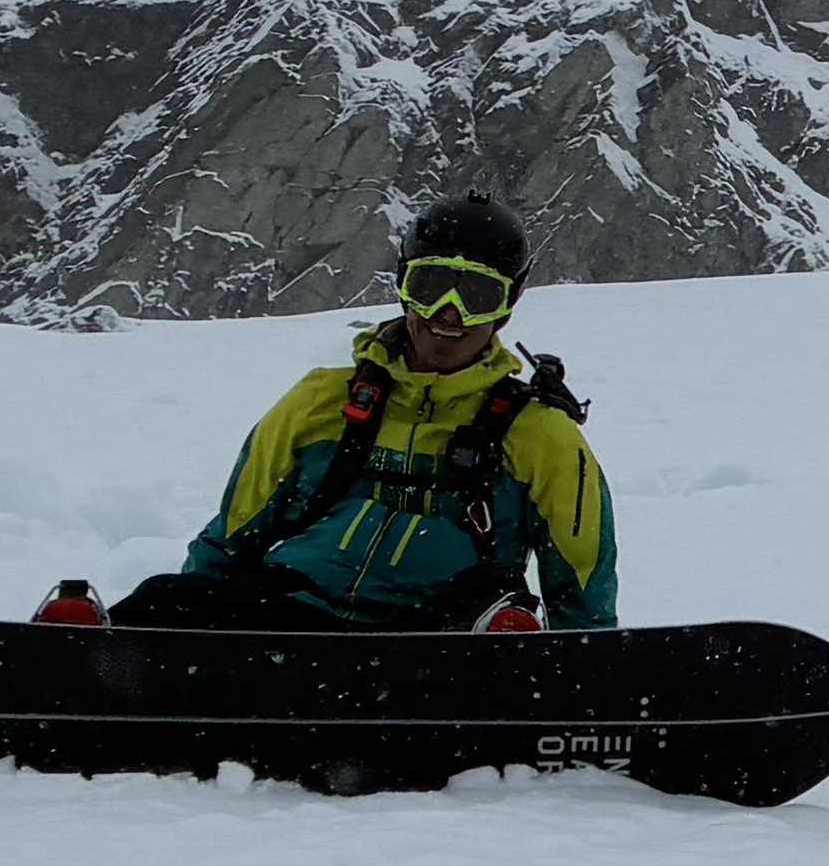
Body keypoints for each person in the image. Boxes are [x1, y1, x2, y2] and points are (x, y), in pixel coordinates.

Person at [84, 196, 623, 634]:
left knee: (493, 611)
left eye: (478, 293)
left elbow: (579, 584)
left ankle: (504, 656)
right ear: (404, 283)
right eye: (431, 287)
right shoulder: (320, 401)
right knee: (169, 599)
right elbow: (232, 537)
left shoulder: (540, 434)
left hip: (441, 642)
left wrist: (585, 678)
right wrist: (183, 628)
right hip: (297, 618)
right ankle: (89, 658)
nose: (450, 315)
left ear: (510, 300)